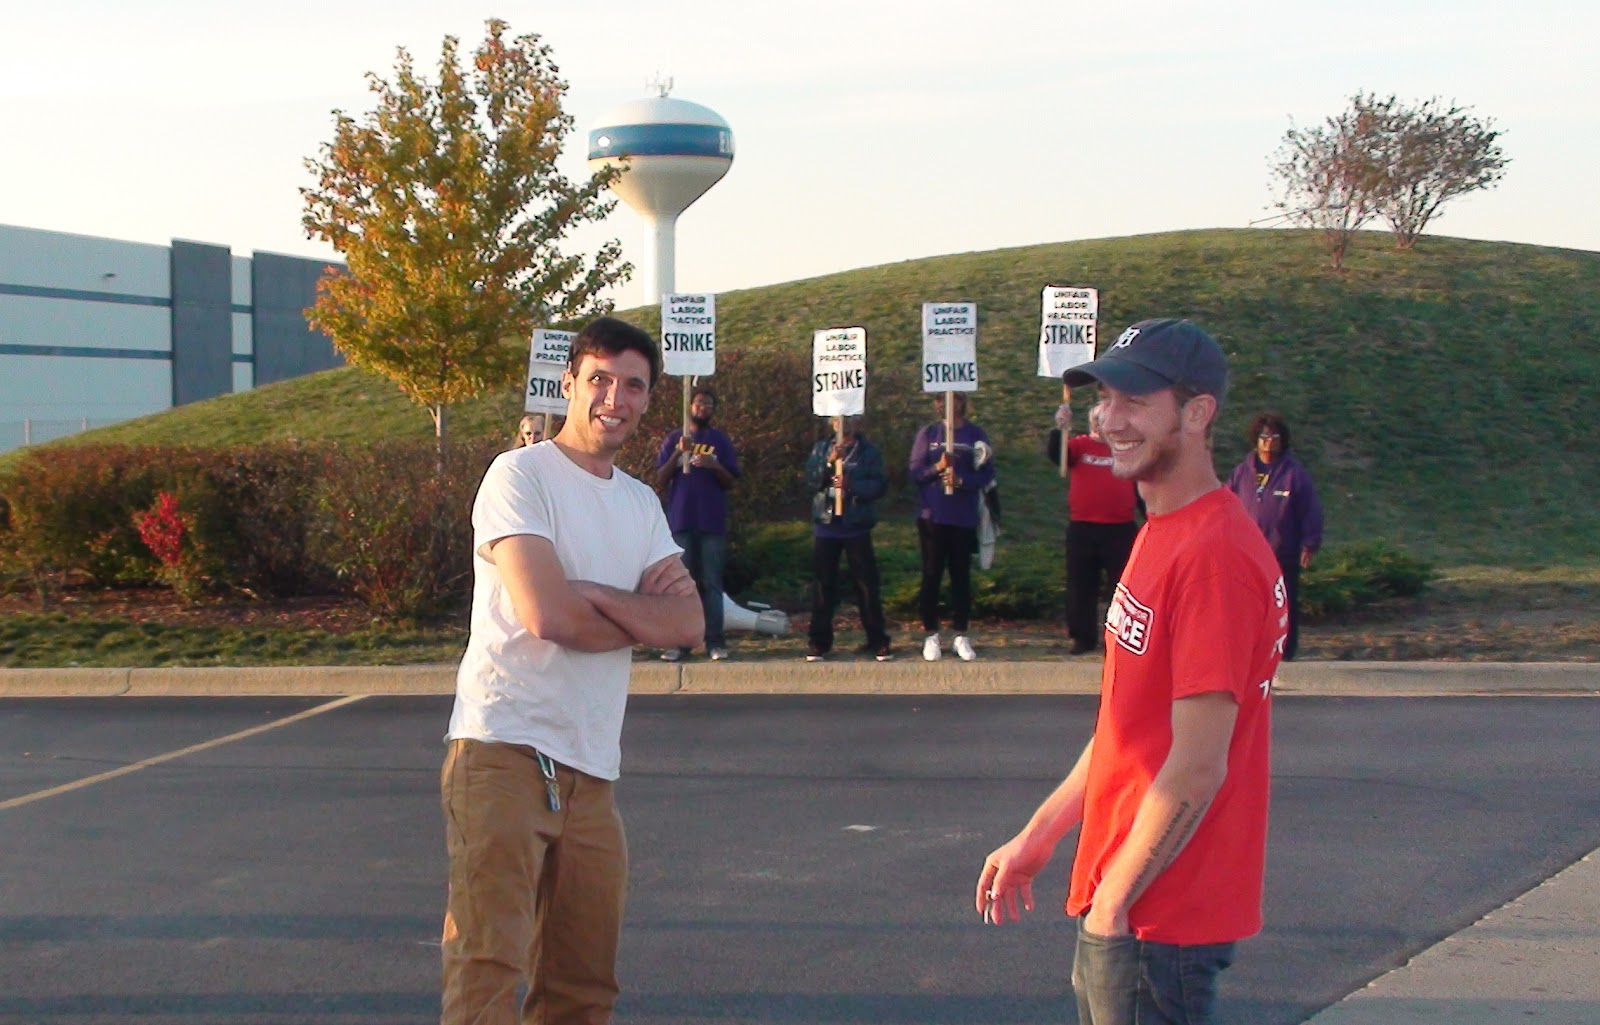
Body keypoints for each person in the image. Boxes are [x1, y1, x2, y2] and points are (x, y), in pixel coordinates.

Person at [975, 318, 1285, 1025]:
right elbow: (1127, 725)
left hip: (1161, 921)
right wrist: (1043, 832)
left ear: (1198, 413)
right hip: (1126, 901)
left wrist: (1116, 899)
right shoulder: (1159, 530)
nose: (1109, 419)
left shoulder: (1214, 556)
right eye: (1104, 397)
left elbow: (1199, 762)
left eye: (1136, 401)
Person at [441, 316, 703, 1025]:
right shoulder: (518, 476)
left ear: (650, 399)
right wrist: (629, 614)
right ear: (570, 384)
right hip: (502, 749)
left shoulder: (640, 504)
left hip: (592, 772)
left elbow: (689, 624)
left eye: (634, 385)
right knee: (487, 966)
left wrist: (594, 593)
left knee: (584, 985)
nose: (614, 398)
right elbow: (546, 616)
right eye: (600, 380)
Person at [1046, 393, 1140, 655]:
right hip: (1083, 527)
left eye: (1104, 419)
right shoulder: (1079, 445)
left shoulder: (1123, 446)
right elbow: (1058, 456)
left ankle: (1120, 637)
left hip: (1120, 528)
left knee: (1122, 587)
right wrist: (1059, 428)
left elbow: (1140, 480)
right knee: (1080, 585)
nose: (1100, 425)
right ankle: (1082, 637)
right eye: (1096, 420)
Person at [1227, 412, 1323, 662]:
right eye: (1264, 437)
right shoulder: (1242, 472)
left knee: (1284, 602)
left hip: (1283, 552)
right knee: (1248, 604)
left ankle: (1285, 651)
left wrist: (1310, 543)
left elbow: (1310, 509)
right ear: (1256, 439)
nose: (1269, 442)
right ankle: (1250, 648)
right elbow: (1226, 507)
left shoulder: (1294, 474)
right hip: (1248, 553)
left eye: (1275, 437)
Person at [654, 386, 741, 661]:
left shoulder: (719, 441)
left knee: (711, 583)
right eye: (700, 403)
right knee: (681, 586)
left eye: (709, 405)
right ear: (689, 406)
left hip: (711, 522)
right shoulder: (674, 439)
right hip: (681, 521)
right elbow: (659, 479)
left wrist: (714, 465)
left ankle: (715, 641)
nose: (704, 408)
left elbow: (731, 482)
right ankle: (680, 643)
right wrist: (676, 456)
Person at [908, 392, 994, 662]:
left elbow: (987, 473)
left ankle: (960, 634)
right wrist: (938, 467)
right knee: (932, 574)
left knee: (961, 577)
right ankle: (931, 634)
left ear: (960, 402)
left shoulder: (975, 434)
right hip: (932, 516)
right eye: (938, 399)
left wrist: (962, 481)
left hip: (963, 516)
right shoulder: (929, 433)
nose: (942, 404)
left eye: (949, 399)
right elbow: (915, 472)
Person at [803, 415, 893, 662]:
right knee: (823, 586)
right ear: (831, 422)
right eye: (838, 419)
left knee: (866, 586)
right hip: (827, 525)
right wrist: (828, 463)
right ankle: (819, 642)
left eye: (850, 418)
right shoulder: (821, 448)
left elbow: (879, 485)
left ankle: (877, 640)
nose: (844, 423)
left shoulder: (868, 451)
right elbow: (811, 481)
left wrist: (852, 485)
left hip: (856, 527)